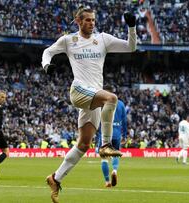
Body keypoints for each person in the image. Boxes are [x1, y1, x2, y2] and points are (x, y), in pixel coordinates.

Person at [42, 6, 137, 203]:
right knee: (112, 99)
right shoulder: (69, 40)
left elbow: (130, 47)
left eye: (93, 20)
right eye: (87, 20)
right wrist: (47, 65)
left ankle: (55, 178)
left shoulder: (102, 39)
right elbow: (48, 52)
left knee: (84, 144)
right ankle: (106, 145)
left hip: (93, 98)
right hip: (78, 91)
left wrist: (132, 27)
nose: (91, 23)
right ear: (78, 21)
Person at [95, 85, 127, 188]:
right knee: (115, 155)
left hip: (105, 133)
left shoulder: (102, 103)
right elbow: (125, 121)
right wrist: (125, 135)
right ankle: (114, 170)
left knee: (104, 158)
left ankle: (107, 181)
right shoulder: (121, 104)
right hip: (117, 133)